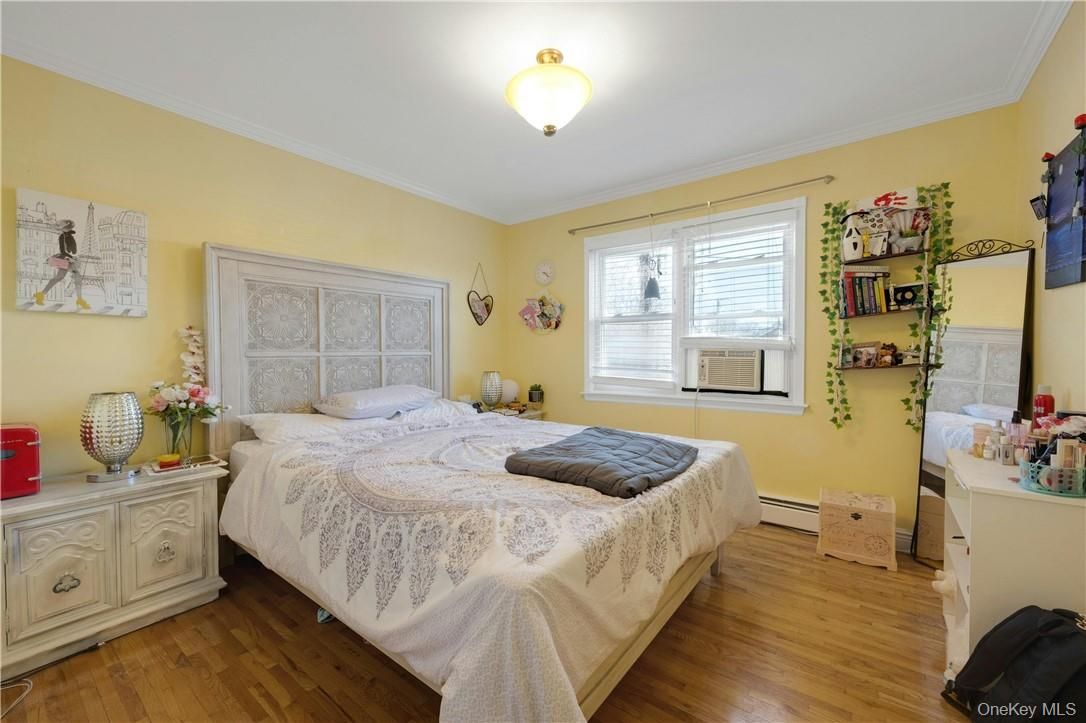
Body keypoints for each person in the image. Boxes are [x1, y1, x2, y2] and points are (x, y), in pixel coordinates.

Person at [34, 219, 90, 309]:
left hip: (70, 259)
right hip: (67, 259)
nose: (67, 228)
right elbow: (63, 251)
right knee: (71, 278)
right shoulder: (62, 236)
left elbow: (73, 250)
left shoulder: (69, 236)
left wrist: (74, 257)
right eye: (67, 227)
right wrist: (72, 258)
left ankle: (41, 295)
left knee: (62, 278)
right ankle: (79, 300)